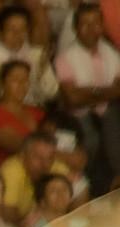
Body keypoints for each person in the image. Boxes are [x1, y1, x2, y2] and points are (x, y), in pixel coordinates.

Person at [56, 3, 120, 194]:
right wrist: (106, 92)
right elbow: (72, 99)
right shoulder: (65, 57)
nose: (92, 29)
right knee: (91, 139)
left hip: (109, 113)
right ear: (76, 28)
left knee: (111, 119)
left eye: (96, 23)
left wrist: (89, 92)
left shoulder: (112, 53)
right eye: (85, 24)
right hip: (77, 117)